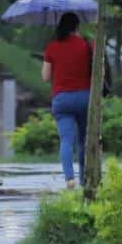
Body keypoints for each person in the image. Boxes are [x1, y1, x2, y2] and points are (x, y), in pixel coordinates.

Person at [41, 12, 92, 189]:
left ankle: (70, 179)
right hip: (85, 97)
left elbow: (45, 77)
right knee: (84, 139)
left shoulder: (52, 47)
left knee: (67, 140)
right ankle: (86, 178)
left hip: (62, 99)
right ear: (76, 27)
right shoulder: (86, 45)